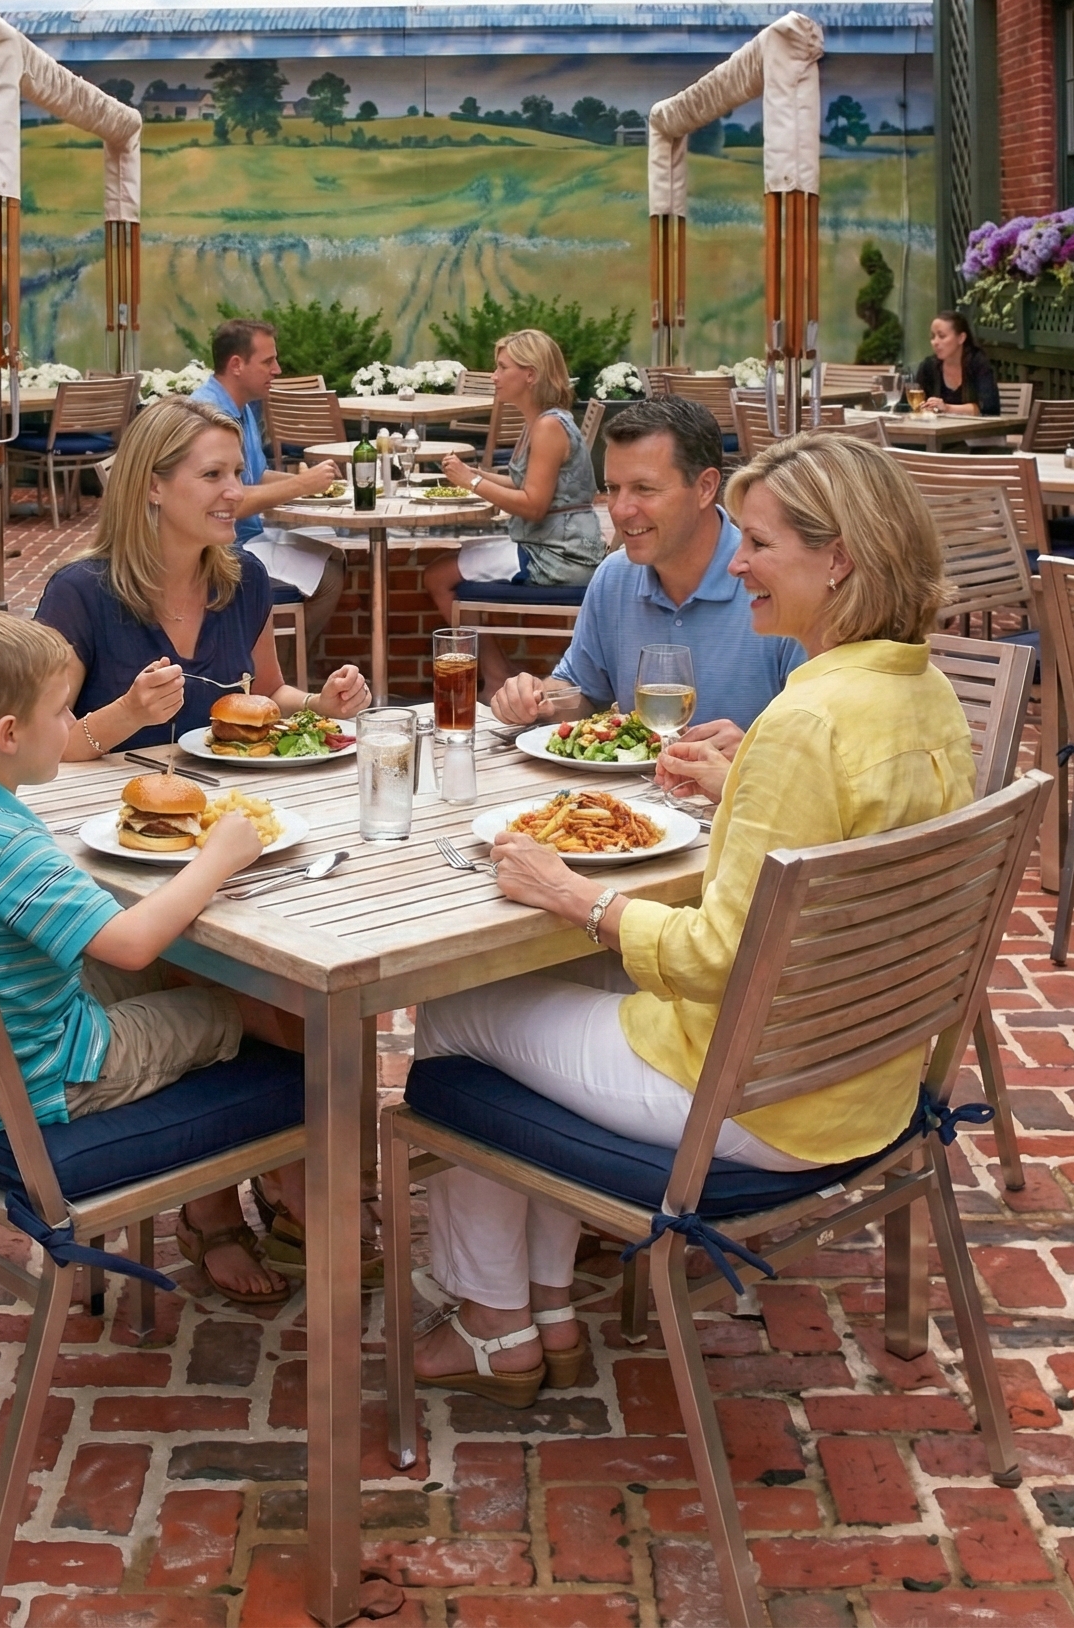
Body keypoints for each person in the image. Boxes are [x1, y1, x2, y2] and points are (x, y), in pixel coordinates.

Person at [404, 434, 974, 1407]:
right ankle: (542, 1305)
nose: (737, 561)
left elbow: (715, 957)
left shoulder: (804, 723)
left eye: (756, 544)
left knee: (456, 1011)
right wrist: (741, 774)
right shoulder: (919, 692)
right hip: (864, 1085)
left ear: (836, 558)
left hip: (749, 1101)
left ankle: (496, 1321)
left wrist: (572, 894)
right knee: (558, 991)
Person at [0, 610, 308, 1303]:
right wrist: (219, 858)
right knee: (252, 1004)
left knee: (188, 969)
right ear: (9, 735)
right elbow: (134, 947)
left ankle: (281, 1184)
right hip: (46, 1077)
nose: (70, 724)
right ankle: (307, 1186)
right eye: (60, 712)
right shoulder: (11, 846)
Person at [35, 396, 373, 759]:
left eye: (238, 473)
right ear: (153, 487)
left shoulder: (246, 579)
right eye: (213, 474)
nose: (236, 492)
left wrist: (319, 704)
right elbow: (41, 744)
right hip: (109, 810)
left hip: (227, 805)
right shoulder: (78, 593)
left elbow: (269, 693)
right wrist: (128, 713)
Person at [489, 395, 805, 737]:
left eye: (644, 489)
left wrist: (746, 760)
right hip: (630, 791)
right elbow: (581, 693)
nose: (621, 509)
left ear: (705, 487)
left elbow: (816, 748)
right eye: (613, 488)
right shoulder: (614, 576)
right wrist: (537, 698)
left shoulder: (773, 584)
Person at [429, 328, 609, 684]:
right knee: (446, 566)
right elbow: (525, 486)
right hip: (552, 545)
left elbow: (533, 505)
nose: (493, 376)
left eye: (501, 367)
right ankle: (499, 673)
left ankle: (496, 676)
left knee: (438, 576)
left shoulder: (547, 427)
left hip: (558, 556)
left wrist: (472, 482)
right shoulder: (542, 421)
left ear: (530, 374)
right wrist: (474, 474)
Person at [191, 319, 348, 668]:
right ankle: (283, 679)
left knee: (335, 558)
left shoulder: (241, 407)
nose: (277, 370)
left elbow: (255, 476)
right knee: (329, 578)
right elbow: (226, 501)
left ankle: (285, 675)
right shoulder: (208, 417)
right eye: (267, 362)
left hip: (245, 536)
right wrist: (302, 485)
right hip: (219, 550)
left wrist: (329, 487)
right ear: (236, 364)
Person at [912, 309, 1002, 416]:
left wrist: (947, 408)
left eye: (942, 336)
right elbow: (910, 404)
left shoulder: (978, 363)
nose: (935, 342)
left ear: (961, 338)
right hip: (938, 430)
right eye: (932, 337)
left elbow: (989, 408)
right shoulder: (929, 366)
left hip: (975, 431)